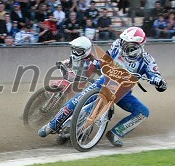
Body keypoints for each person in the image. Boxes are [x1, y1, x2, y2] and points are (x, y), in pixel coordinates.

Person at [39, 27, 167, 147]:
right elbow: (107, 57)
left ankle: (115, 133)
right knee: (78, 99)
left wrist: (159, 82)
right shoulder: (117, 44)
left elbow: (155, 74)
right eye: (124, 42)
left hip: (123, 93)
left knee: (143, 112)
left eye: (129, 44)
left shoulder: (147, 60)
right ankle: (52, 125)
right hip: (104, 81)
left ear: (140, 46)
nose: (124, 46)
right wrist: (99, 63)